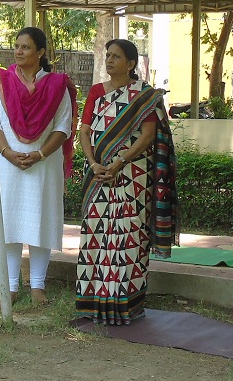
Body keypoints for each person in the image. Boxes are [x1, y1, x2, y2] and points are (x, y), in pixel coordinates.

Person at [75, 38, 177, 324]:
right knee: (96, 231)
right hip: (98, 174)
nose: (109, 60)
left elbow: (147, 136)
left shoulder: (144, 95)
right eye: (107, 55)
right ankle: (94, 302)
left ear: (131, 64)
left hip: (132, 174)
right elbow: (84, 132)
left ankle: (126, 303)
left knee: (129, 234)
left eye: (116, 56)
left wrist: (120, 161)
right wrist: (95, 164)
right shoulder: (96, 92)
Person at [0, 27, 76, 304]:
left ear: (41, 52)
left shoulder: (57, 85)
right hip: (7, 163)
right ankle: (9, 286)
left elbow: (63, 126)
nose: (19, 52)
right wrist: (8, 153)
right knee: (9, 223)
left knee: (40, 221)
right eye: (17, 46)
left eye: (26, 47)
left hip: (44, 163)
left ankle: (37, 287)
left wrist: (41, 154)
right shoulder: (0, 81)